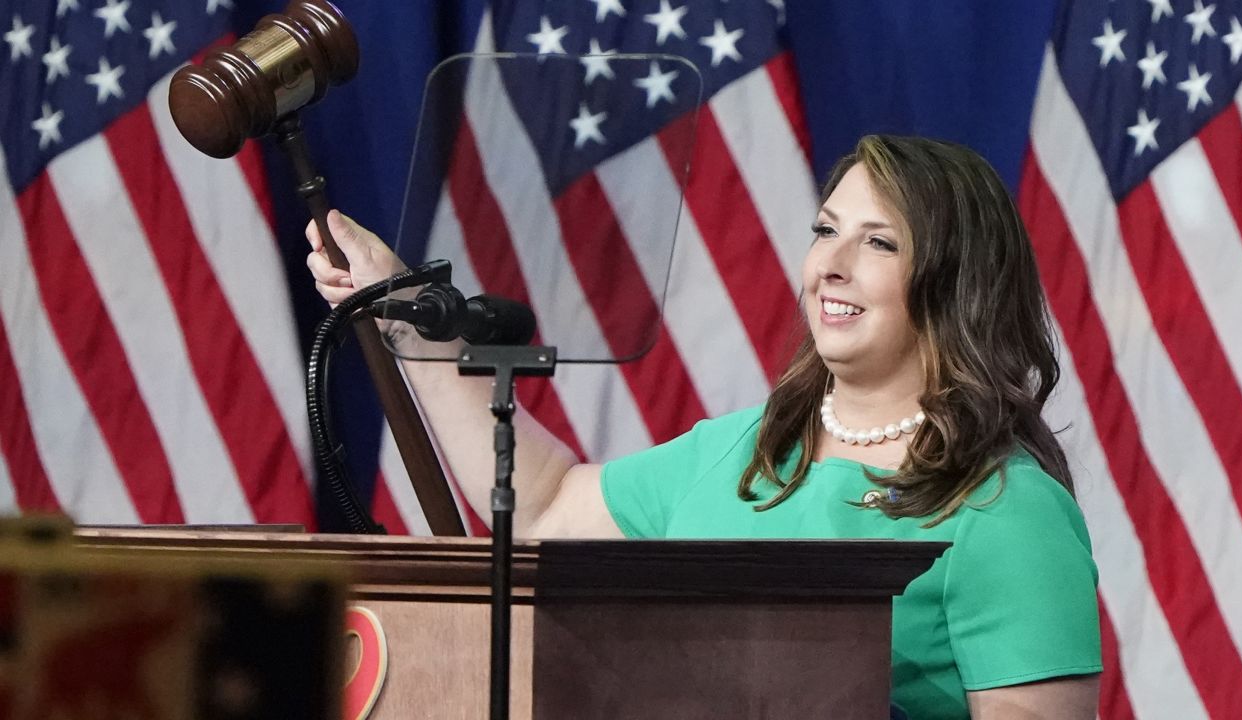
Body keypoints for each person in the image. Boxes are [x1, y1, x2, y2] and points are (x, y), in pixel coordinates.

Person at [307, 135, 1102, 719]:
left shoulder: (1006, 509)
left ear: (957, 282)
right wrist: (409, 320)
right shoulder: (741, 449)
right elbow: (543, 504)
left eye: (880, 243)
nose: (831, 263)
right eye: (826, 230)